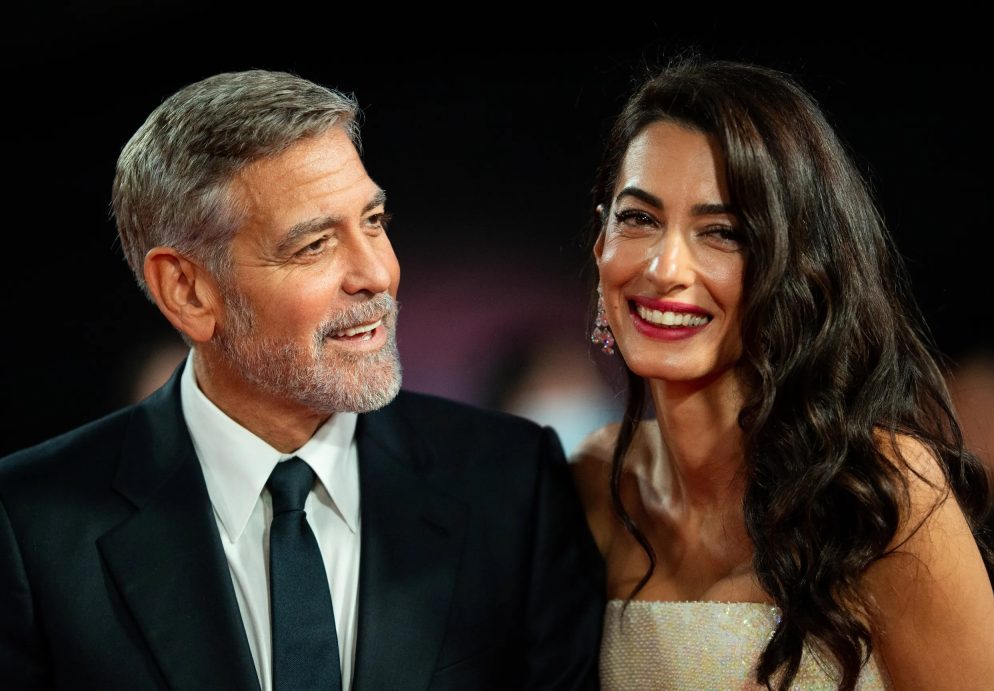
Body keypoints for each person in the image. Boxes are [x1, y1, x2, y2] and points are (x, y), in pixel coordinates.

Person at [0, 69, 605, 690]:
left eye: (374, 221)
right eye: (314, 245)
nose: (376, 274)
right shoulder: (29, 525)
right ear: (187, 291)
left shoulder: (511, 483)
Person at [569, 56, 994, 690]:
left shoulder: (877, 495)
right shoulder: (595, 487)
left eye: (722, 232)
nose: (665, 269)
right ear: (601, 245)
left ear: (795, 266)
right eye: (639, 219)